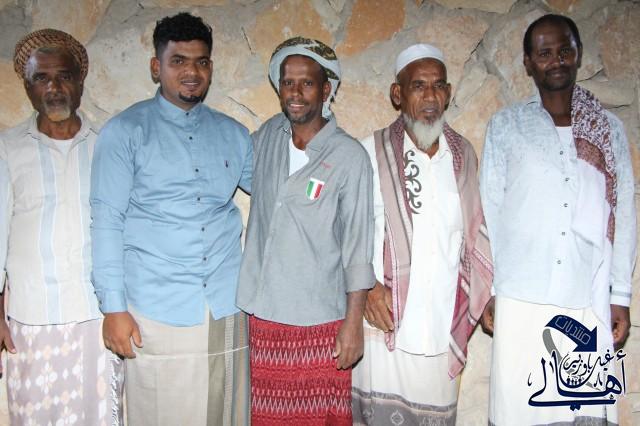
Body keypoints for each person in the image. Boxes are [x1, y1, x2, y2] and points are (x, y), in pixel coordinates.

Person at [90, 13, 251, 426]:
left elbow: (279, 196)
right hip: (156, 307)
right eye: (178, 61)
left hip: (226, 304)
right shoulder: (125, 132)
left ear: (210, 67)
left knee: (226, 415)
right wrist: (113, 307)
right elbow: (107, 221)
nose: (191, 72)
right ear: (155, 67)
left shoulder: (234, 134)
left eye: (201, 61)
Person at [480, 14, 636, 425]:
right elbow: (490, 211)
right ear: (528, 62)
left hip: (587, 295)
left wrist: (620, 294)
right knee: (519, 411)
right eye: (544, 53)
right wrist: (490, 289)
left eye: (565, 50)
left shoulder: (608, 129)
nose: (556, 61)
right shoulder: (506, 126)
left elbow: (623, 213)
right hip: (520, 296)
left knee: (581, 410)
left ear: (578, 54)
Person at [351, 43, 493, 425]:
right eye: (418, 86)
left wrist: (484, 295)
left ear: (448, 93)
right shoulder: (370, 152)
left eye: (438, 85)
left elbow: (474, 236)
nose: (430, 96)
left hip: (442, 326)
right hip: (385, 326)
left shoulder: (463, 156)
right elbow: (347, 231)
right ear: (397, 94)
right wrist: (366, 287)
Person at [236, 36, 374, 425]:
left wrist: (353, 325)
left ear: (326, 89)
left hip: (320, 324)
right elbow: (230, 172)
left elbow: (358, 248)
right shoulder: (266, 138)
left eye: (307, 83)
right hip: (263, 318)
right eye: (287, 82)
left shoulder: (349, 157)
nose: (295, 93)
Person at [0, 29, 123, 425]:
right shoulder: (7, 148)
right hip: (31, 316)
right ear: (28, 86)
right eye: (42, 78)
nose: (54, 88)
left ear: (80, 82)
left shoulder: (107, 144)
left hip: (96, 316)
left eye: (64, 76)